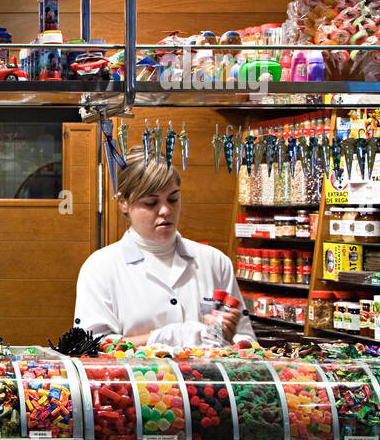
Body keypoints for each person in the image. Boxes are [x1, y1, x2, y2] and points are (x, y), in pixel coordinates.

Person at [75, 148, 256, 348]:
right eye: (151, 203)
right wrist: (164, 337)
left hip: (204, 378)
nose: (165, 210)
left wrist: (230, 338)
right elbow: (91, 348)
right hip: (136, 378)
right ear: (124, 203)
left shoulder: (214, 261)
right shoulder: (100, 267)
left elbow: (246, 339)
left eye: (173, 199)